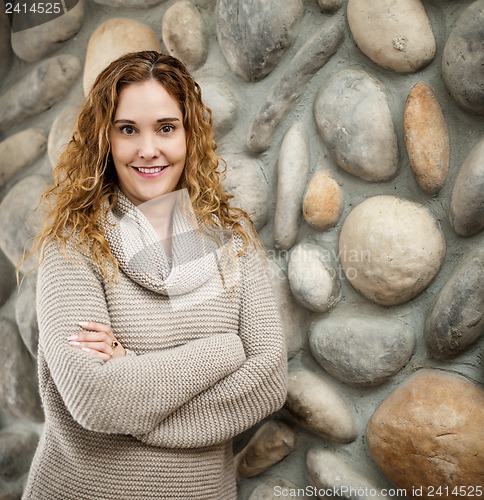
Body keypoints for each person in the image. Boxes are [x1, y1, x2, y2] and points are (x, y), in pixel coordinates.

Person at [22, 51, 287, 499]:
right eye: (129, 129)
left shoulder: (231, 238)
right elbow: (97, 399)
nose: (149, 149)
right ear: (105, 139)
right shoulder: (73, 245)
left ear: (189, 135)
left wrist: (135, 378)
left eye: (166, 128)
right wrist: (223, 352)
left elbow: (268, 383)